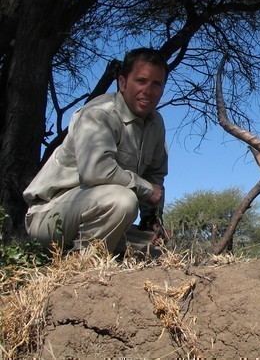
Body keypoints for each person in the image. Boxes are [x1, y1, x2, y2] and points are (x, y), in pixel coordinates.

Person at [23, 48, 169, 255]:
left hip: (99, 216)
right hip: (49, 217)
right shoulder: (100, 113)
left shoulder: (156, 123)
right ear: (122, 82)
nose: (149, 90)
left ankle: (90, 256)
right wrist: (146, 190)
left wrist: (150, 219)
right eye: (141, 81)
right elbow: (97, 172)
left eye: (157, 84)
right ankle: (83, 268)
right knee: (123, 200)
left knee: (157, 252)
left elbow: (155, 176)